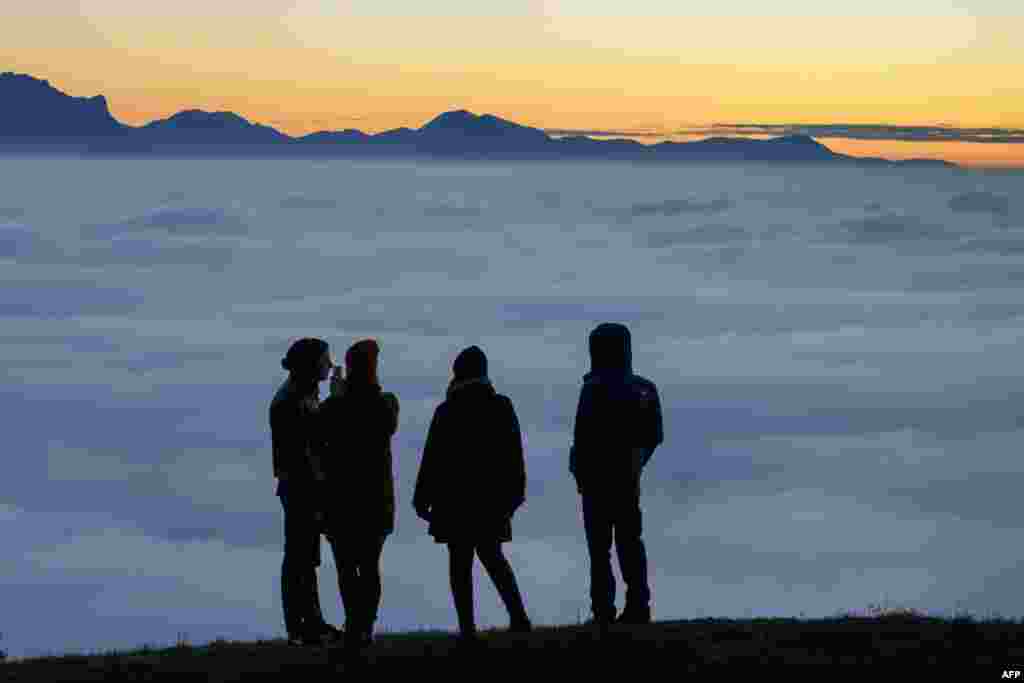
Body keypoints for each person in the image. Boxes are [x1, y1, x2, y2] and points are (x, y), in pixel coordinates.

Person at [413, 346, 531, 644]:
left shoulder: (446, 410)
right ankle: (519, 616)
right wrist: (517, 493)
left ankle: (467, 628)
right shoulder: (501, 406)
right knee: (493, 556)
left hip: (453, 500)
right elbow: (514, 454)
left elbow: (432, 458)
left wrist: (421, 496)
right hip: (492, 498)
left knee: (459, 561)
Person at [570, 323, 663, 626]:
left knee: (600, 549)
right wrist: (636, 463)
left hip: (596, 480)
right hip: (627, 478)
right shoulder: (645, 389)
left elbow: (582, 437)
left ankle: (603, 610)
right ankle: (638, 604)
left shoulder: (593, 387)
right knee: (630, 543)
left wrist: (580, 472)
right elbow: (654, 436)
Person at [318, 339, 399, 651]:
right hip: (375, 497)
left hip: (341, 497)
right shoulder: (386, 402)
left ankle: (356, 623)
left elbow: (323, 432)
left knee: (347, 566)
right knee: (368, 566)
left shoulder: (338, 406)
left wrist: (336, 399)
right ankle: (363, 625)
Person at [269, 337, 342, 645]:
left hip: (304, 484)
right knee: (300, 556)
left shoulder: (300, 394)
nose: (329, 364)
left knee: (305, 556)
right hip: (300, 486)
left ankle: (309, 620)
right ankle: (301, 625)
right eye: (325, 359)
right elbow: (313, 435)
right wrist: (336, 401)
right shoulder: (291, 400)